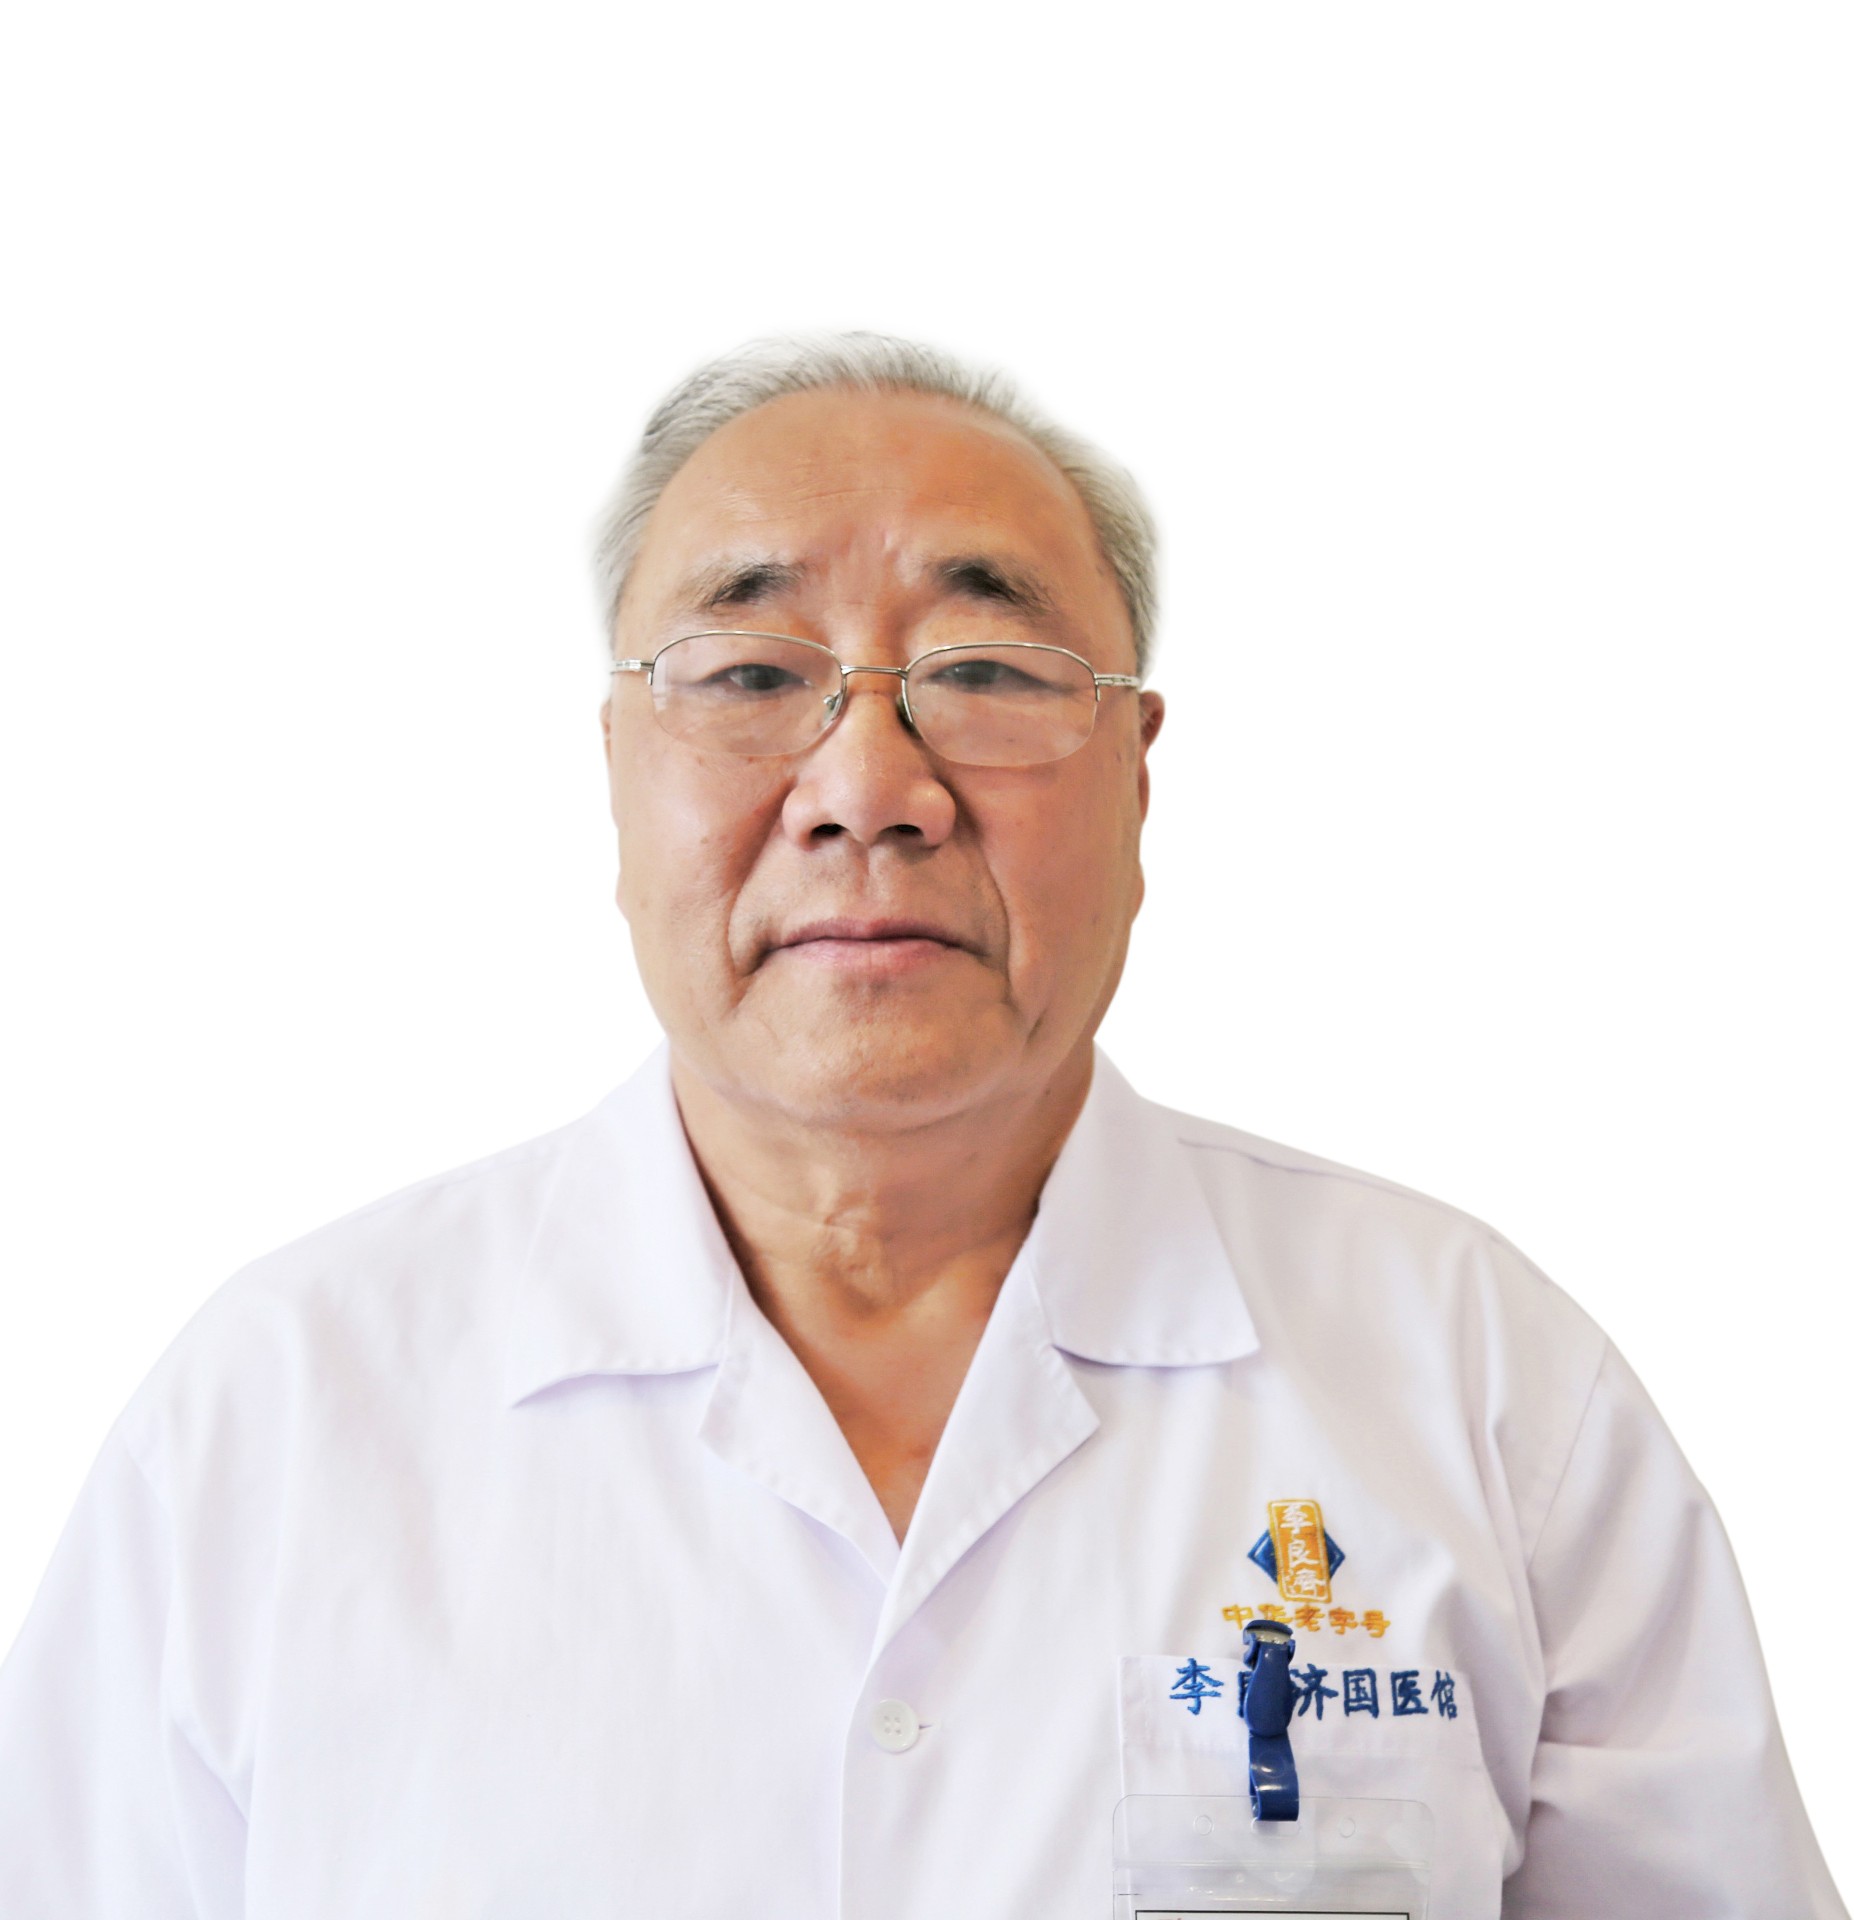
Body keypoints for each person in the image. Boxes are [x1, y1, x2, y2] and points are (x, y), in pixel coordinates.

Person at [0, 332, 1841, 1918]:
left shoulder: (1478, 1386)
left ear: (1137, 776)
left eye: (984, 677)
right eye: (748, 676)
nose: (868, 788)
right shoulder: (277, 1420)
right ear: (616, 769)